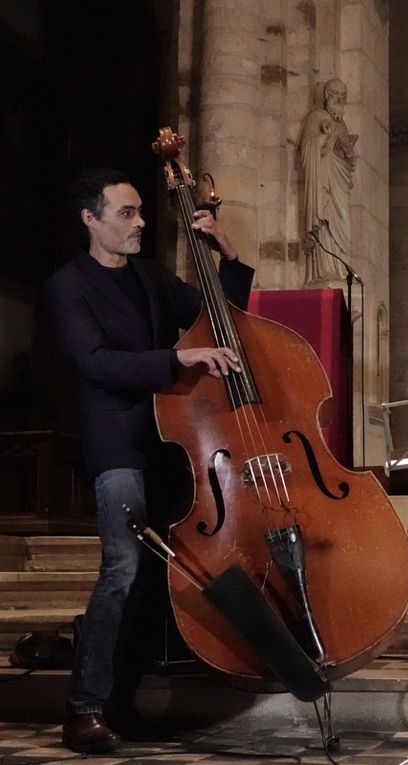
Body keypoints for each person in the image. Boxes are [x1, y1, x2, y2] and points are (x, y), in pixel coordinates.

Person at [45, 168, 254, 754]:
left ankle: (120, 703)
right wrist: (178, 357)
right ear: (91, 219)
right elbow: (96, 363)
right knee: (122, 571)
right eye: (126, 214)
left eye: (140, 212)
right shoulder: (68, 285)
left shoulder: (151, 276)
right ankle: (82, 709)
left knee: (155, 582)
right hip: (117, 447)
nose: (140, 223)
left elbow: (221, 321)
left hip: (171, 444)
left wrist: (227, 256)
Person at [299, 78, 358, 282]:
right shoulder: (316, 117)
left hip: (339, 184)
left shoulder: (343, 126)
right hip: (322, 182)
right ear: (326, 96)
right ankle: (323, 271)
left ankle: (340, 269)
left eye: (343, 98)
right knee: (325, 223)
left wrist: (349, 152)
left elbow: (350, 164)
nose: (339, 101)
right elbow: (306, 151)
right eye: (336, 96)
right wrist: (324, 138)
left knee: (342, 222)